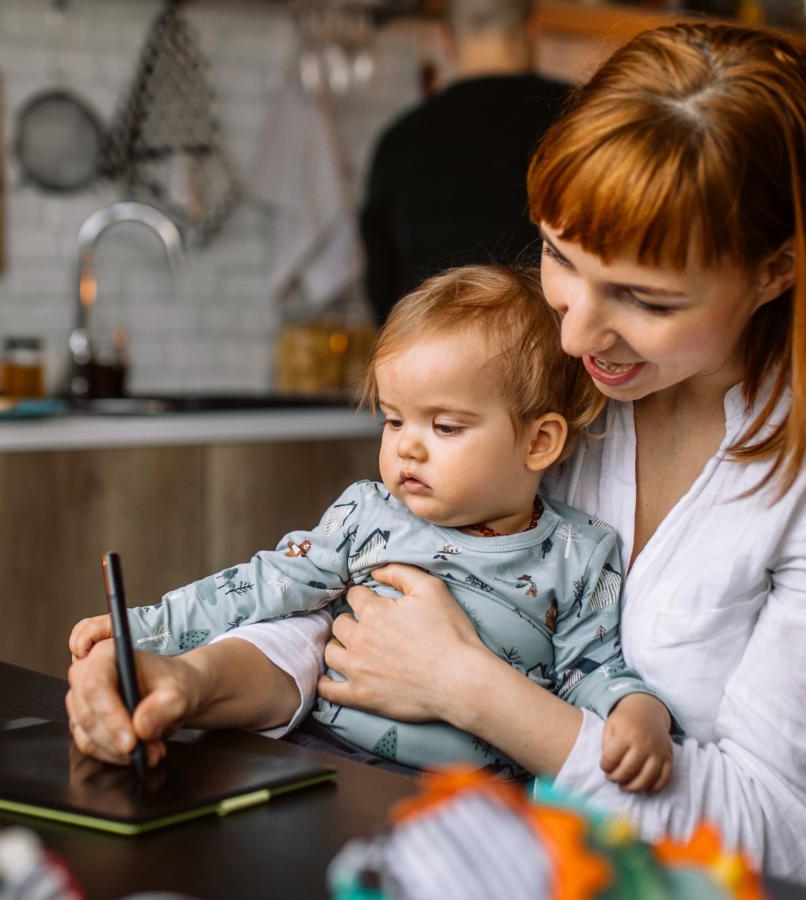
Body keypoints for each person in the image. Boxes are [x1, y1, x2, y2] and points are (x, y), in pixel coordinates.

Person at [68, 24, 806, 899]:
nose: (575, 333)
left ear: (777, 270)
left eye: (646, 300)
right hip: (504, 838)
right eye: (559, 256)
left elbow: (780, 837)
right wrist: (193, 678)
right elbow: (383, 598)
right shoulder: (558, 367)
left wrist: (467, 687)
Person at [69, 266, 676, 789]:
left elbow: (590, 667)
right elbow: (261, 585)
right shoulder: (368, 514)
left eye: (445, 427)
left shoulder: (581, 552)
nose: (407, 447)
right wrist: (145, 628)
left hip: (476, 800)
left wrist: (635, 709)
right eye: (393, 420)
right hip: (324, 755)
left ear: (539, 442)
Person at [359, 0, 570, 323]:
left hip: (432, 343)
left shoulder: (401, 139)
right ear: (533, 24)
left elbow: (380, 283)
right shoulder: (580, 115)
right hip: (553, 343)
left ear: (445, 36)